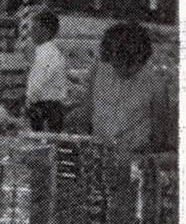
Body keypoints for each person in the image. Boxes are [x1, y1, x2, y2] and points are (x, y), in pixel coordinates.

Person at [68, 20, 172, 154]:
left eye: (133, 65)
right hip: (98, 154)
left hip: (133, 157)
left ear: (142, 58)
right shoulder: (98, 69)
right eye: (117, 64)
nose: (124, 70)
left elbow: (159, 139)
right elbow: (87, 111)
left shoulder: (157, 86)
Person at [25, 8, 68, 132]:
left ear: (45, 31)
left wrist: (28, 100)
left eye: (34, 29)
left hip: (45, 107)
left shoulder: (46, 53)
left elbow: (38, 81)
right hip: (52, 106)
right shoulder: (51, 52)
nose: (30, 33)